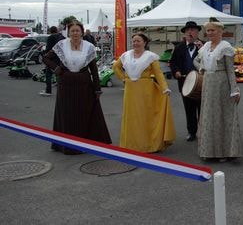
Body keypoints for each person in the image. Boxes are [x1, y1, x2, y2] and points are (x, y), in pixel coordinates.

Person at [42, 20, 111, 155]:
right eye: (72, 31)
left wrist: (97, 88)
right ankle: (67, 145)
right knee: (67, 114)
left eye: (77, 30)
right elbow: (46, 58)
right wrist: (56, 68)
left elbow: (94, 69)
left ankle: (85, 144)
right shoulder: (61, 44)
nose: (75, 33)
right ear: (68, 32)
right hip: (65, 84)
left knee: (84, 113)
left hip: (84, 85)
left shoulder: (89, 47)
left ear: (82, 32)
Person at [112, 33, 176, 153]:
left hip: (146, 91)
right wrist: (124, 79)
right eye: (134, 41)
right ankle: (131, 145)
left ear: (144, 43)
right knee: (131, 117)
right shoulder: (126, 55)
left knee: (145, 117)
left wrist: (164, 88)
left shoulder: (150, 57)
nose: (135, 43)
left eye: (138, 41)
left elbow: (158, 73)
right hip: (131, 91)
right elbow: (115, 67)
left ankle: (147, 144)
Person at [193, 17, 242, 161]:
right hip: (208, 84)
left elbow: (230, 70)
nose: (210, 33)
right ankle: (208, 151)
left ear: (220, 31)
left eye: (213, 30)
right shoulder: (206, 47)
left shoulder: (225, 47)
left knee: (222, 116)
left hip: (221, 84)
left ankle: (223, 152)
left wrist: (234, 89)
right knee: (208, 116)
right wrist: (203, 69)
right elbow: (196, 60)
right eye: (208, 30)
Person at [169, 21, 204, 142]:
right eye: (188, 30)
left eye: (193, 30)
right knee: (189, 110)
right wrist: (176, 72)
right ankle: (191, 132)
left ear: (197, 32)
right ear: (184, 33)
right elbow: (173, 63)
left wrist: (202, 49)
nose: (190, 32)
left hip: (202, 83)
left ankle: (204, 131)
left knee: (203, 109)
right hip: (185, 84)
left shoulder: (205, 46)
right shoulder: (179, 47)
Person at [39, 26, 64, 96]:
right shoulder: (62, 37)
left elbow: (48, 49)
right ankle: (62, 91)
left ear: (50, 31)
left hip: (51, 59)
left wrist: (45, 54)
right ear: (56, 30)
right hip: (60, 59)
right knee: (59, 74)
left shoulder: (50, 38)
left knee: (48, 75)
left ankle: (48, 91)